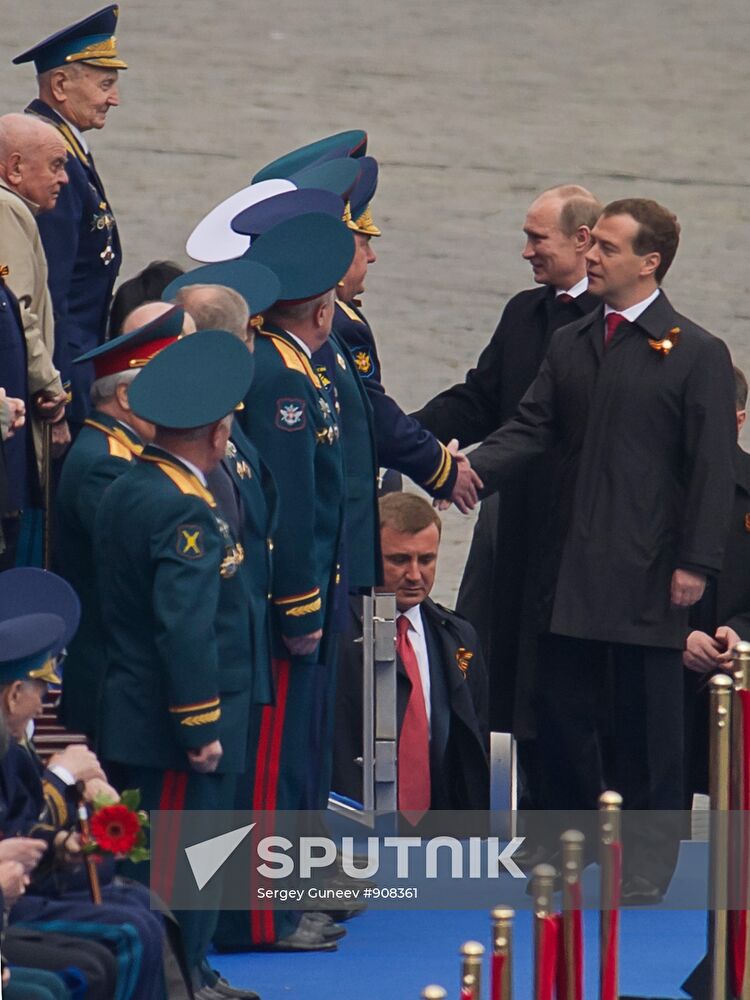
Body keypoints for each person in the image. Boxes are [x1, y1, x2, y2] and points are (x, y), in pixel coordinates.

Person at [465, 198, 737, 903]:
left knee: (650, 726)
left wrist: (696, 564)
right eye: (595, 246)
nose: (593, 257)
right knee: (558, 711)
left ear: (649, 262)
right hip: (567, 565)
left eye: (609, 249)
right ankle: (566, 839)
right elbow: (529, 429)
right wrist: (463, 472)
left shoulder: (697, 353)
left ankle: (647, 863)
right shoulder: (574, 341)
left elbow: (711, 469)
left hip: (649, 570)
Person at [94, 330, 258, 998]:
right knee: (191, 858)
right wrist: (200, 726)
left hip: (136, 706)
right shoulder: (183, 507)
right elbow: (185, 626)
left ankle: (184, 974)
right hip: (177, 720)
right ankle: (183, 976)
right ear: (218, 435)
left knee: (164, 857)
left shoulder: (132, 484)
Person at [413, 185, 602, 762]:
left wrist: (465, 467)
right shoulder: (524, 311)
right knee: (481, 655)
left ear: (582, 240)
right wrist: (407, 440)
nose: (526, 252)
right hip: (507, 516)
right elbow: (481, 398)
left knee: (559, 691)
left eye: (536, 238)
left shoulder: (609, 328)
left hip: (574, 532)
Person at [56, 307, 192, 738]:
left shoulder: (115, 450)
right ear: (128, 398)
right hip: (111, 677)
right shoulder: (106, 465)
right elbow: (134, 564)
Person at [333, 493, 489, 810]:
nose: (415, 575)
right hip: (345, 823)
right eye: (400, 560)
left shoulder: (459, 637)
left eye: (427, 559)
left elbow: (476, 738)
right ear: (370, 554)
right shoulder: (334, 635)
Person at [14, 4, 126, 430]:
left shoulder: (70, 150)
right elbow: (49, 292)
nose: (114, 99)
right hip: (68, 365)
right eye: (105, 84)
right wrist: (56, 391)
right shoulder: (51, 160)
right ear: (60, 84)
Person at [682, 365, 750, 801]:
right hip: (659, 658)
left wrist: (741, 634)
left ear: (739, 419)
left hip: (737, 669)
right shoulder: (657, 485)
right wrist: (676, 636)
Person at [0, 114, 71, 466]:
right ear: (14, 169)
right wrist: (52, 390)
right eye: (56, 165)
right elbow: (17, 311)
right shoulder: (6, 208)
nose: (64, 178)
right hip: (17, 405)